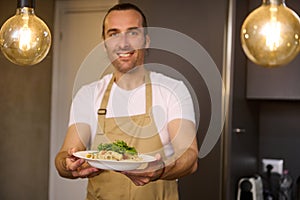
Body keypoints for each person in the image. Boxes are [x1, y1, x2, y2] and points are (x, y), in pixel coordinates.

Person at [55, 3, 198, 200]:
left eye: (132, 33)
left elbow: (190, 157)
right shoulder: (87, 95)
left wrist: (162, 171)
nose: (123, 43)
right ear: (104, 43)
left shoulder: (172, 90)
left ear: (146, 40)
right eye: (114, 33)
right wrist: (68, 165)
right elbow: (63, 157)